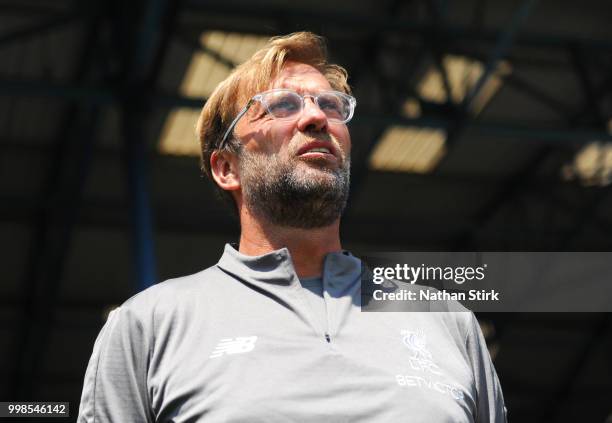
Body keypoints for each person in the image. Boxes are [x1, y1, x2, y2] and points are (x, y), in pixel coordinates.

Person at [78, 32, 507, 422]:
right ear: (227, 168)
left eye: (330, 105)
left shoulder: (447, 322)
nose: (317, 118)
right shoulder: (149, 326)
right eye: (282, 105)